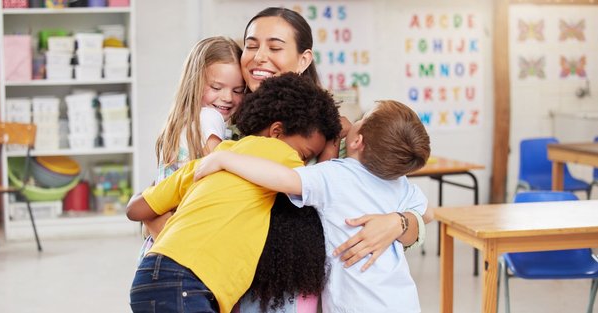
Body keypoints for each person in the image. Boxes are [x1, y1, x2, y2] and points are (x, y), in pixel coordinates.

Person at [232, 7, 431, 313]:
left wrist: (399, 222)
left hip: (302, 295)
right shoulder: (223, 116)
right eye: (251, 44)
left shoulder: (333, 131)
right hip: (229, 281)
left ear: (304, 59)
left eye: (274, 47)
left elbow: (414, 212)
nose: (259, 57)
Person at [127, 73, 342, 313]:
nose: (302, 162)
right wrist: (332, 147)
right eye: (304, 154)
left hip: (150, 275)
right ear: (277, 131)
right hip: (188, 282)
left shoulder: (210, 161)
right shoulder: (279, 153)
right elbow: (315, 183)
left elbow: (135, 209)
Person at [195, 100, 431, 312]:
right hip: (403, 301)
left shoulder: (336, 174)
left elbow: (283, 178)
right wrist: (398, 219)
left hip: (355, 305)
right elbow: (427, 213)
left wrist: (224, 158)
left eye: (361, 120)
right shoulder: (400, 183)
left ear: (358, 141)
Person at [139, 36, 245, 255]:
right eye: (216, 87)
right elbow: (223, 166)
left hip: (160, 248)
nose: (227, 97)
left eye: (238, 90)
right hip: (184, 245)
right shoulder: (208, 117)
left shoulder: (180, 124)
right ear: (195, 82)